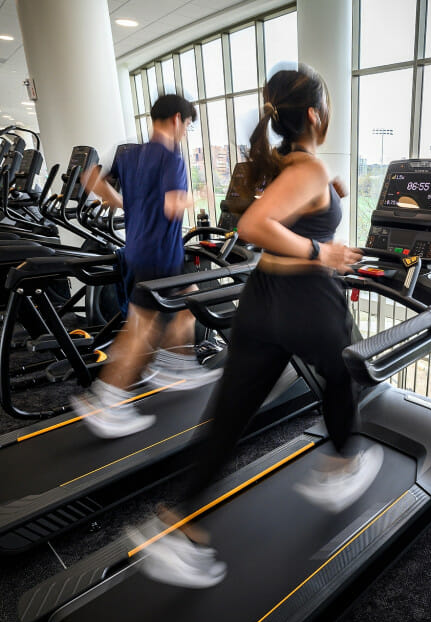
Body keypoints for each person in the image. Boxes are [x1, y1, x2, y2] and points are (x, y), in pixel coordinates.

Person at [127, 66, 377, 589]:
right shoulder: (302, 170)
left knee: (230, 417)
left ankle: (176, 521)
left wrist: (327, 192)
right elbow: (253, 225)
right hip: (307, 298)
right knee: (348, 372)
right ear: (313, 114)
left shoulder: (285, 163)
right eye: (325, 107)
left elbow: (277, 204)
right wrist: (321, 248)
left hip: (263, 299)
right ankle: (340, 466)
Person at [71, 93, 220, 438]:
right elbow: (172, 207)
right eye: (188, 125)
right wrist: (201, 196)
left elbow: (90, 178)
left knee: (189, 300)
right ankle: (107, 400)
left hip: (138, 250)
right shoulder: (171, 158)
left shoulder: (130, 153)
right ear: (176, 120)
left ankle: (175, 363)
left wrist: (120, 202)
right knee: (142, 328)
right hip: (160, 254)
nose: (186, 131)